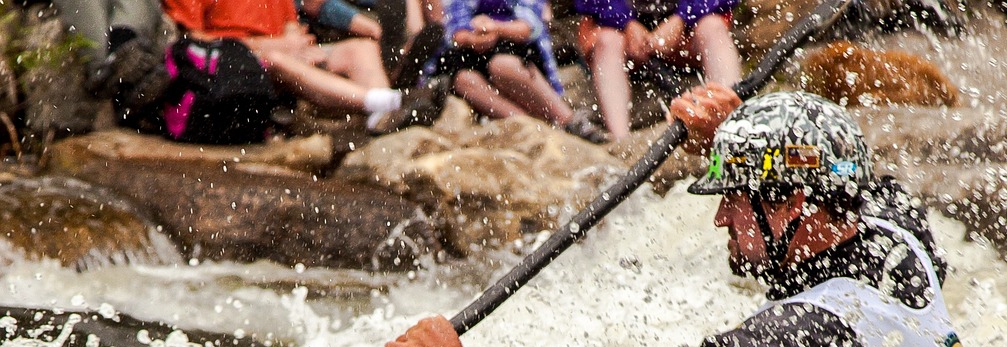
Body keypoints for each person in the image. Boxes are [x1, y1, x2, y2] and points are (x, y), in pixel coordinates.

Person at [384, 84, 973, 347]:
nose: (721, 217)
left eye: (736, 196)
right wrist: (739, 130)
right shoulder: (901, 238)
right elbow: (859, 176)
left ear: (792, 203)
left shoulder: (799, 340)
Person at [162, 0, 446, 133]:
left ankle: (380, 119)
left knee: (360, 49)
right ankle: (391, 101)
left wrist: (298, 43)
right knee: (278, 60)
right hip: (234, 62)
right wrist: (272, 46)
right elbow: (190, 41)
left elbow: (289, 25)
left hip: (286, 52)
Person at [419, 0, 605, 141]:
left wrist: (496, 28)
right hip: (474, 51)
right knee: (464, 79)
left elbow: (529, 27)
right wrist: (471, 39)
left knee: (502, 66)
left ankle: (569, 120)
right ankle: (532, 127)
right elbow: (454, 29)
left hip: (516, 47)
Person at [574, 0, 742, 140]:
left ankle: (733, 118)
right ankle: (620, 139)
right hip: (621, 35)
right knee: (607, 41)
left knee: (712, 27)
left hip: (687, 32)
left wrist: (682, 18)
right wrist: (625, 23)